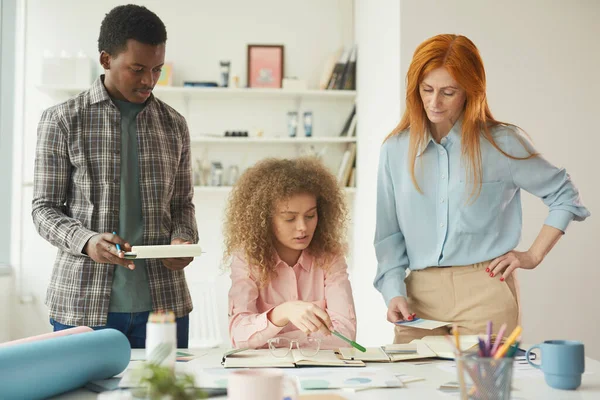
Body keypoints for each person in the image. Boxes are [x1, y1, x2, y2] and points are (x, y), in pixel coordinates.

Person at [374, 34, 590, 343]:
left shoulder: (501, 143)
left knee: (485, 390)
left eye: (448, 92)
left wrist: (532, 256)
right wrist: (393, 290)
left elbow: (565, 195)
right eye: (427, 90)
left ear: (469, 91)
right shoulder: (395, 150)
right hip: (418, 299)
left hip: (485, 292)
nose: (435, 102)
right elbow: (388, 235)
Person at [32, 4, 198, 348]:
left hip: (163, 305)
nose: (149, 80)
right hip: (82, 304)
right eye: (137, 69)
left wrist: (183, 239)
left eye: (157, 69)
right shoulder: (63, 120)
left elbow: (183, 204)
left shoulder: (174, 124)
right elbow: (43, 209)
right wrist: (86, 241)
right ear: (106, 59)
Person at [225, 157, 357, 350]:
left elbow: (345, 336)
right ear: (265, 219)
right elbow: (239, 336)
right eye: (289, 218)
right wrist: (282, 313)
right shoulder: (247, 259)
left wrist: (274, 340)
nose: (303, 227)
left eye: (310, 215)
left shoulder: (330, 258)